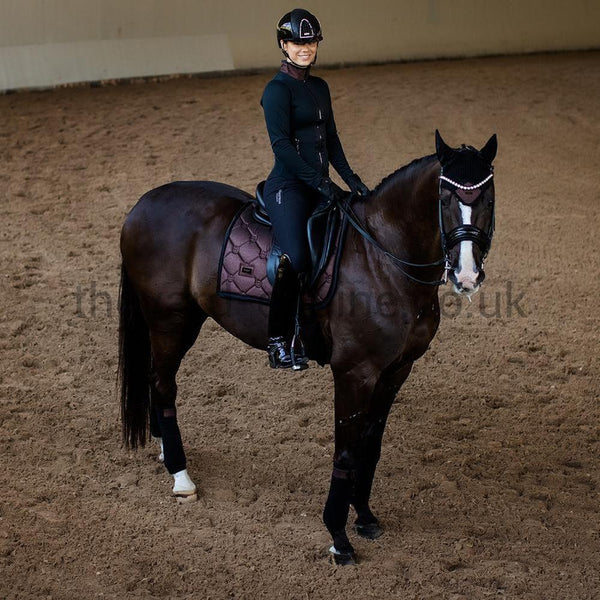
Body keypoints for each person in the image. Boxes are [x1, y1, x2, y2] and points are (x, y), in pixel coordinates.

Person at [261, 8, 369, 371]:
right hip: (288, 186)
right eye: (297, 42)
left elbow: (332, 139)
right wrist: (323, 184)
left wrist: (350, 179)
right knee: (296, 256)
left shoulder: (320, 86)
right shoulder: (276, 91)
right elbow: (282, 149)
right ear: (283, 45)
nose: (305, 48)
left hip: (320, 184)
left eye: (310, 42)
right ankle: (277, 340)